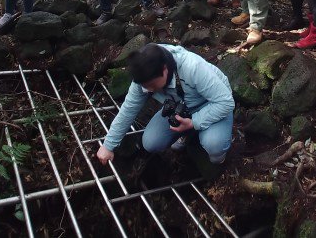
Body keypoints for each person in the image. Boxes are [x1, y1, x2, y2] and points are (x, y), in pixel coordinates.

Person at [96, 43, 234, 166]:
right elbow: (128, 110)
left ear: (164, 70)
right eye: (145, 86)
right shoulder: (143, 76)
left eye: (152, 85)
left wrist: (194, 122)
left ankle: (217, 156)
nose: (148, 90)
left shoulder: (192, 67)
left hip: (211, 103)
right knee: (151, 142)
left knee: (214, 144)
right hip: (181, 107)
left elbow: (225, 102)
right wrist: (108, 145)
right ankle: (188, 133)